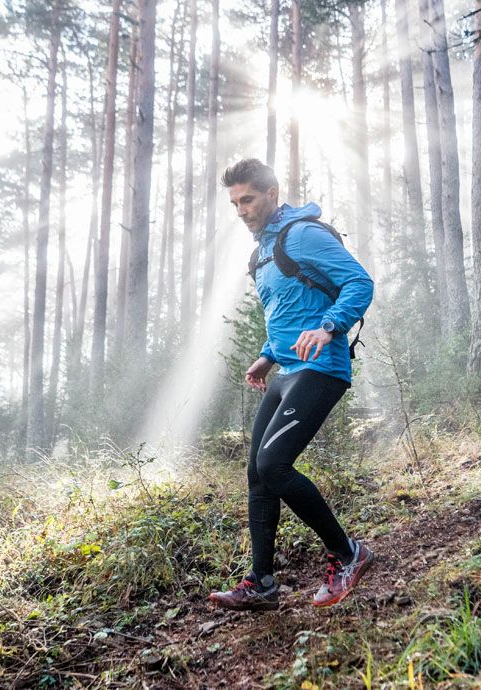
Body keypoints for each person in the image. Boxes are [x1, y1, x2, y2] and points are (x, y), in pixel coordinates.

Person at [207, 159, 375, 611]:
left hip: (322, 367)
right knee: (258, 474)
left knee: (275, 463)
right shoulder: (262, 252)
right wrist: (266, 356)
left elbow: (359, 282)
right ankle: (261, 582)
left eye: (248, 199)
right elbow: (285, 309)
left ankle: (348, 553)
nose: (241, 210)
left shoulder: (303, 234)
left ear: (272, 192)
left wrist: (330, 326)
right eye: (235, 203)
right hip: (286, 372)